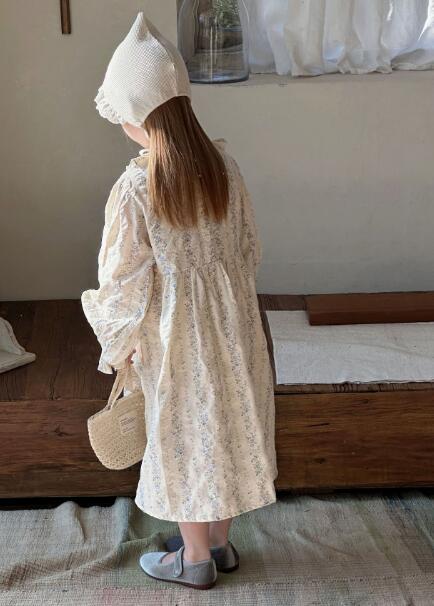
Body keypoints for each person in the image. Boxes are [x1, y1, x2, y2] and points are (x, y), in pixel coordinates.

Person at [81, 12, 278, 590]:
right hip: (235, 327)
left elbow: (121, 279)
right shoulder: (223, 167)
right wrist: (228, 304)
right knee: (226, 425)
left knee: (186, 436)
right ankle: (218, 544)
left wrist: (121, 344)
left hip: (175, 338)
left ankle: (193, 560)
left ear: (136, 114)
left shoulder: (138, 186)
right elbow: (248, 249)